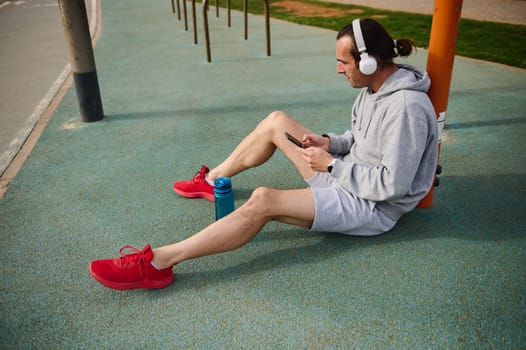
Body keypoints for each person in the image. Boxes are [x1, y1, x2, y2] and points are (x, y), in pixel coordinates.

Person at [89, 18, 438, 290]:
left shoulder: (405, 107)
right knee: (277, 122)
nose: (337, 69)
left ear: (367, 62)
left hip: (370, 205)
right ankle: (212, 181)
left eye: (342, 62)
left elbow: (392, 185)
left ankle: (158, 264)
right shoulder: (375, 88)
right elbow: (361, 139)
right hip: (347, 174)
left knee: (263, 200)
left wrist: (331, 165)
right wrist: (329, 143)